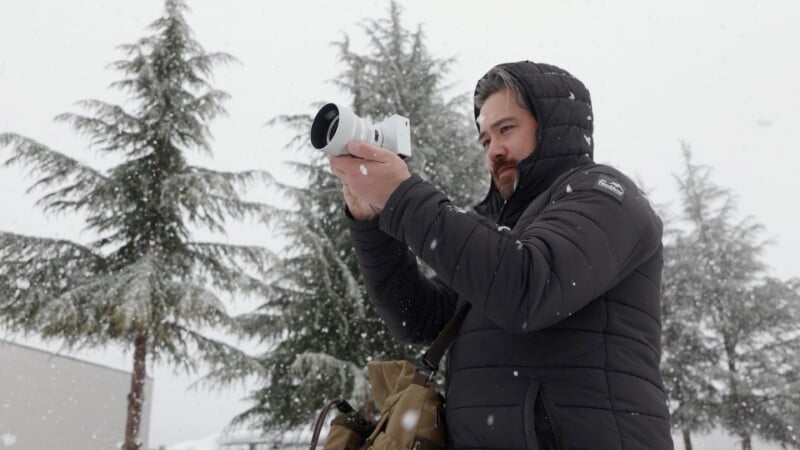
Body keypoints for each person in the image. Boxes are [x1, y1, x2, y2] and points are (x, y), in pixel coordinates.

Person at [328, 61, 673, 449]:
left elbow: (527, 287)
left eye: (506, 129)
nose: (494, 150)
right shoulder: (496, 234)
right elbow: (418, 318)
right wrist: (372, 222)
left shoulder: (606, 196)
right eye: (485, 140)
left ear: (553, 127)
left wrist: (402, 196)